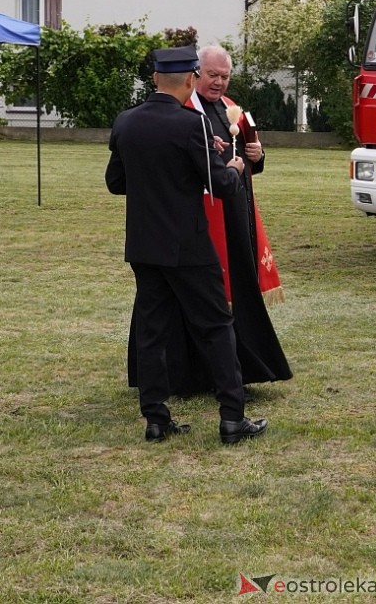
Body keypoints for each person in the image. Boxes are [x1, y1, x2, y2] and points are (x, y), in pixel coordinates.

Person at [105, 46, 267, 445]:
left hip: (144, 245)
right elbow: (220, 185)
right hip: (189, 247)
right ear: (191, 79)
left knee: (151, 331)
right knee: (216, 326)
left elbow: (116, 183)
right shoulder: (190, 124)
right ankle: (232, 419)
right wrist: (233, 166)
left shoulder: (126, 122)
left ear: (155, 78)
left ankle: (156, 419)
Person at [167, 44, 291, 393]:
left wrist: (257, 154)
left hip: (238, 212)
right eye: (212, 76)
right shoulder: (186, 110)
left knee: (239, 286)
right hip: (205, 217)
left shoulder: (231, 109)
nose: (219, 83)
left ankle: (244, 366)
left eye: (225, 77)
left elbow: (248, 155)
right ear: (196, 74)